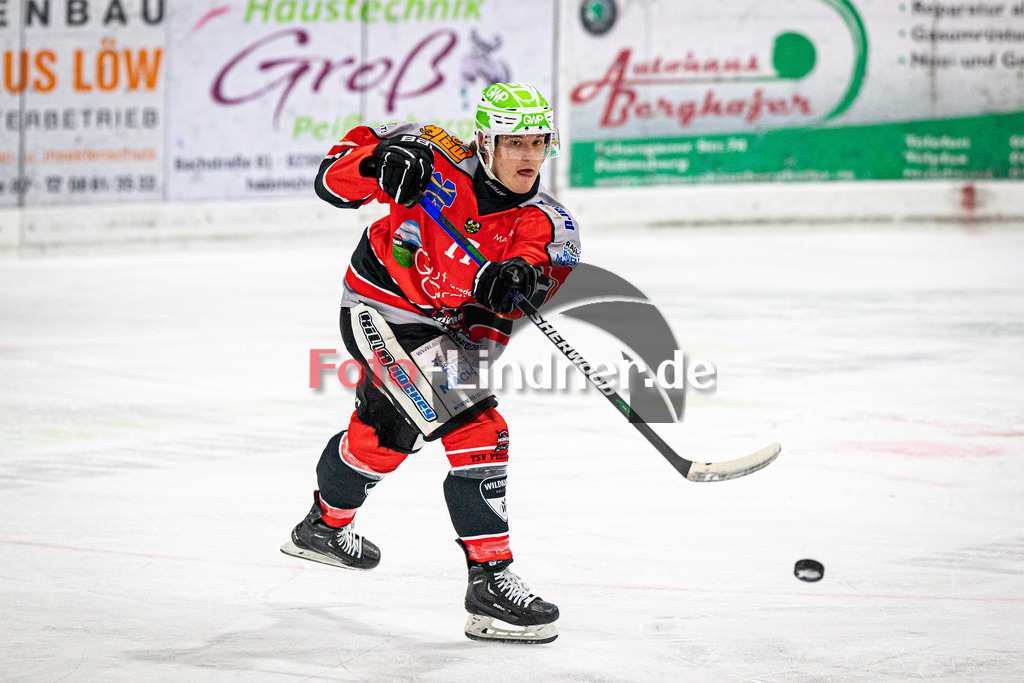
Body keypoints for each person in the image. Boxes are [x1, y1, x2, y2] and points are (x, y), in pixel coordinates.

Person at [281, 82, 580, 644]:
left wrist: (512, 286)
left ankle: (324, 526)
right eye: (513, 142)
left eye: (538, 142)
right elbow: (331, 179)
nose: (528, 156)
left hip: (440, 330)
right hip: (377, 304)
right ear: (484, 142)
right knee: (479, 430)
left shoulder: (549, 225)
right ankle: (490, 585)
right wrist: (376, 162)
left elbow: (501, 320)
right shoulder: (429, 150)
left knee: (384, 438)